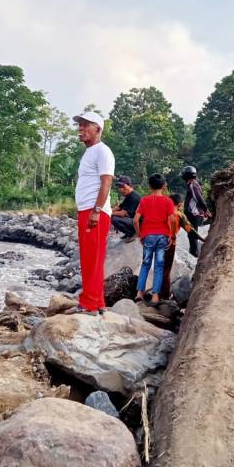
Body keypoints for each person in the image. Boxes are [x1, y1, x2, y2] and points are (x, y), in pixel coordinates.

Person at [68, 111, 115, 315]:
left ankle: (89, 304)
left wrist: (96, 211)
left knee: (92, 258)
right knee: (89, 257)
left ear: (97, 129)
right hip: (87, 209)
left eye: (85, 125)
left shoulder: (103, 152)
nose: (80, 129)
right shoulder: (90, 152)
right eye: (80, 125)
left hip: (95, 211)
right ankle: (96, 301)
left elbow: (106, 183)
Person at [133, 173, 178, 307]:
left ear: (150, 186)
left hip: (148, 236)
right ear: (164, 186)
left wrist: (140, 235)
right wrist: (172, 235)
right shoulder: (168, 201)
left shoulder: (144, 200)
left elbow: (135, 220)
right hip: (162, 236)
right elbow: (173, 219)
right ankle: (155, 296)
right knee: (159, 266)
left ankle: (139, 294)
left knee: (145, 264)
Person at [159, 192, 206, 300]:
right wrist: (202, 238)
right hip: (169, 244)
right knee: (166, 271)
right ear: (179, 204)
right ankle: (164, 296)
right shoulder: (179, 215)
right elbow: (190, 230)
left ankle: (156, 293)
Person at [181, 165, 211, 257]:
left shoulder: (192, 185)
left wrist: (206, 210)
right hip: (194, 214)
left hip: (193, 214)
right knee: (191, 234)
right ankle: (194, 252)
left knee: (192, 233)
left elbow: (199, 199)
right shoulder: (194, 184)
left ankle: (194, 254)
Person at [110, 176, 140, 241]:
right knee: (113, 216)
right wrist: (107, 210)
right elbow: (119, 207)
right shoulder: (129, 196)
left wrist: (109, 213)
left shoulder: (134, 197)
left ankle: (132, 233)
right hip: (132, 220)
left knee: (114, 219)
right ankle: (128, 233)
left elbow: (123, 213)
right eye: (119, 187)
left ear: (129, 185)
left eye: (122, 186)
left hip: (137, 223)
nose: (120, 189)